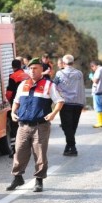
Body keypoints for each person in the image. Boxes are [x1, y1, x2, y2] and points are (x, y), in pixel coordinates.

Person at [6, 57, 64, 192]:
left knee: (40, 154)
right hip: (23, 125)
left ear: (41, 70)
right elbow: (16, 101)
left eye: (35, 68)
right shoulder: (23, 84)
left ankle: (39, 181)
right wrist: (13, 112)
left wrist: (53, 114)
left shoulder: (49, 85)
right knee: (19, 152)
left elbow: (60, 101)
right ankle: (17, 177)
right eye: (30, 69)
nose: (32, 71)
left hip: (40, 126)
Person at [53, 54, 86, 156]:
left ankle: (72, 147)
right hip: (78, 103)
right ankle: (69, 146)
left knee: (67, 126)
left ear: (63, 63)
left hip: (65, 103)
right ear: (73, 62)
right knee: (72, 126)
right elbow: (81, 87)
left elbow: (54, 85)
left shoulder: (59, 73)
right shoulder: (79, 74)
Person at [6, 59, 30, 158]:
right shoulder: (27, 75)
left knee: (14, 127)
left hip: (17, 104)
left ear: (13, 67)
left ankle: (15, 150)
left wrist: (10, 102)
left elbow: (9, 93)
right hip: (27, 104)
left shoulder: (13, 77)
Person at [89, 60, 102, 128]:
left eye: (92, 68)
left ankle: (100, 123)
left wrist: (91, 77)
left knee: (98, 107)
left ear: (94, 66)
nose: (93, 70)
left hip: (98, 91)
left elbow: (96, 81)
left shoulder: (98, 70)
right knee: (101, 107)